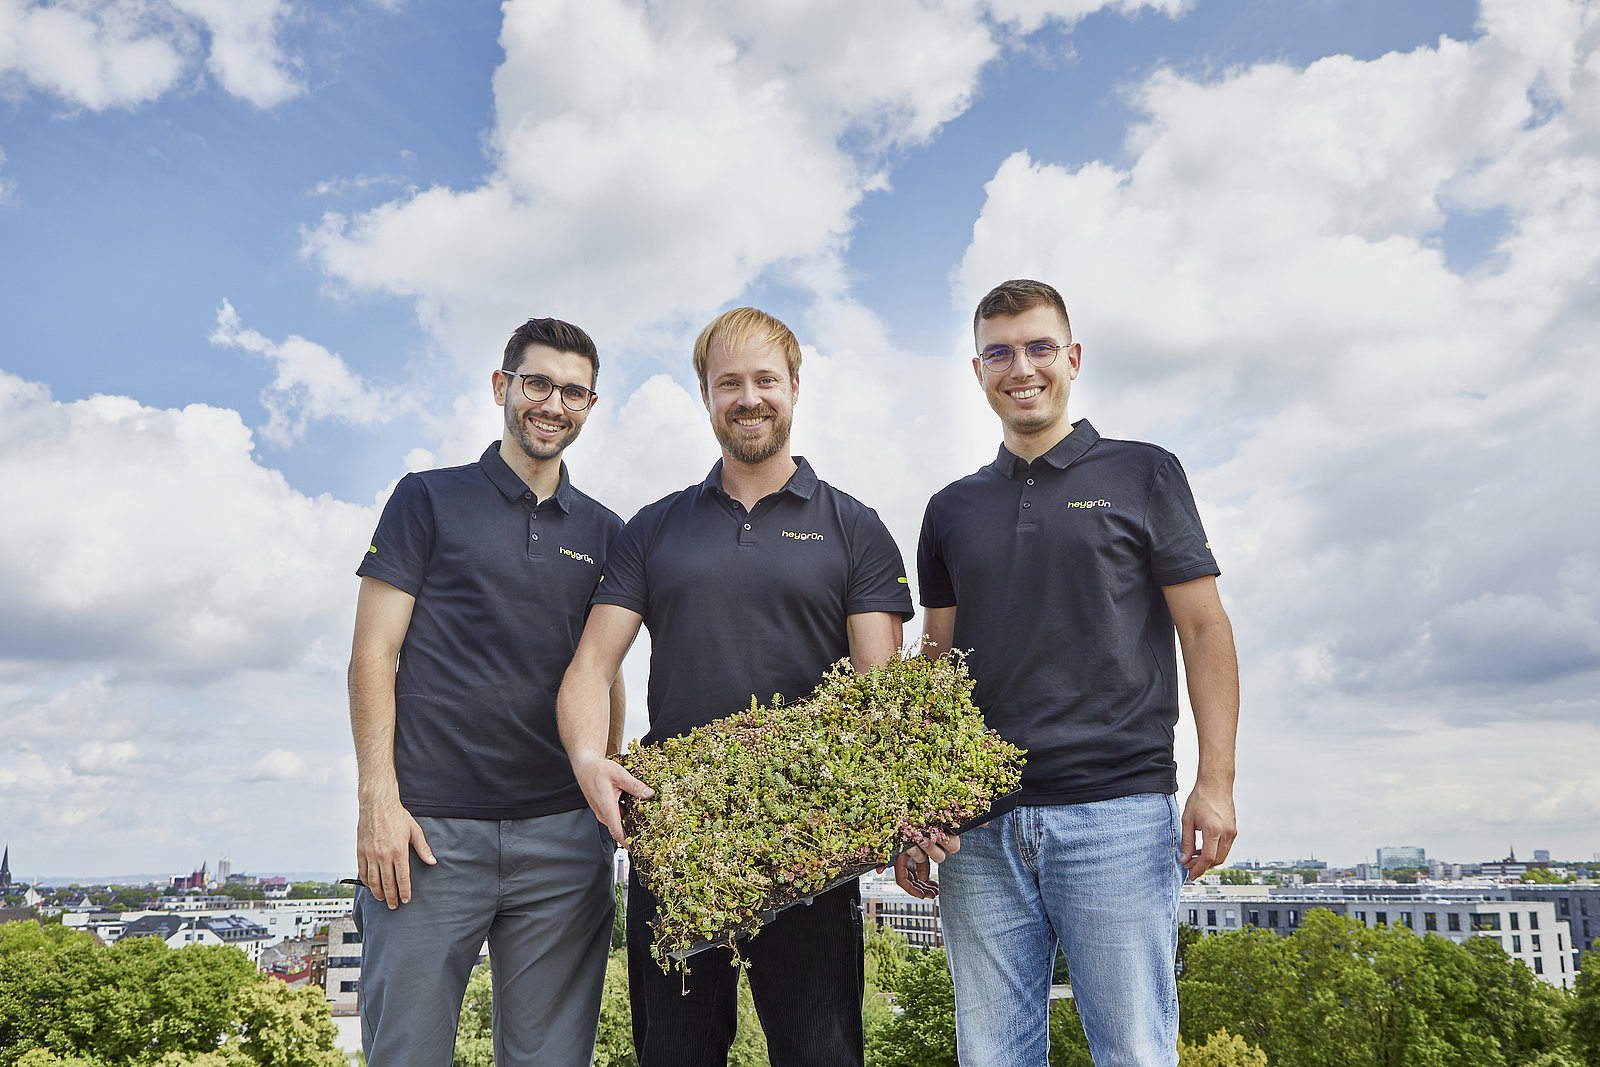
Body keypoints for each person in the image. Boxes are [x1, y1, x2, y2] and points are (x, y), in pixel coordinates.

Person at [557, 307, 920, 1067]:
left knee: (821, 1054)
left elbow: (880, 695)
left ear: (794, 386)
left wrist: (902, 809)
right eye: (730, 383)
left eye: (764, 380)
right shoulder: (653, 530)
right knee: (676, 1054)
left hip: (812, 839)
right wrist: (591, 756)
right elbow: (592, 664)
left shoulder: (855, 528)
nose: (748, 398)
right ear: (706, 395)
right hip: (677, 831)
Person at [906, 279, 1239, 1067]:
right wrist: (915, 805)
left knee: (1133, 1051)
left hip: (1117, 812)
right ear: (978, 369)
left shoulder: (1146, 473)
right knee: (991, 1056)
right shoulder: (948, 510)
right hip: (976, 829)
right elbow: (936, 665)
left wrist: (1215, 780)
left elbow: (1204, 626)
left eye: (1039, 346)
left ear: (1073, 358)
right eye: (1000, 351)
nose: (1021, 366)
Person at [348, 317, 625, 1067]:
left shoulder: (607, 531)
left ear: (589, 406)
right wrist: (379, 796)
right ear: (503, 387)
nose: (553, 404)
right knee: (405, 1054)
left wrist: (603, 807)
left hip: (563, 843)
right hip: (427, 836)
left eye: (574, 391)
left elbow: (605, 675)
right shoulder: (426, 499)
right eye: (538, 383)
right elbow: (374, 650)